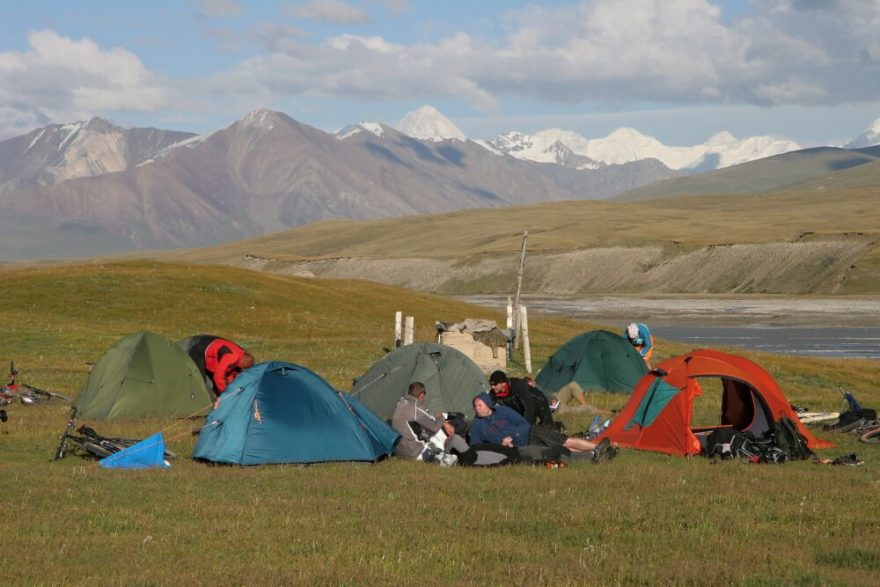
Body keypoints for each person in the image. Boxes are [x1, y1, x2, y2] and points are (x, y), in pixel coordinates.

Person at [470, 393, 617, 463]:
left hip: (532, 432)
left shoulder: (503, 411)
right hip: (523, 446)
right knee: (560, 449)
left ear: (488, 404)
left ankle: (597, 447)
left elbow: (523, 424)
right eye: (475, 406)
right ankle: (593, 454)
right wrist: (500, 446)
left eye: (480, 405)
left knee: (565, 440)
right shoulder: (477, 425)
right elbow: (476, 446)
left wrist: (511, 436)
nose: (477, 408)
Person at [391, 382, 513, 466]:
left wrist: (442, 419)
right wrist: (443, 419)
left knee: (447, 428)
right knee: (450, 433)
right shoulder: (415, 409)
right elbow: (434, 426)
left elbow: (428, 414)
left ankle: (463, 449)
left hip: (401, 451)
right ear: (422, 395)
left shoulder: (402, 402)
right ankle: (462, 452)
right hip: (415, 453)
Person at [186, 335, 255, 394]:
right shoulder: (230, 357)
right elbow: (218, 376)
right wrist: (226, 393)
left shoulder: (242, 355)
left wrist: (231, 387)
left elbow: (230, 374)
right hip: (199, 350)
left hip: (213, 347)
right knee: (199, 381)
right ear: (241, 362)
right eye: (243, 367)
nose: (242, 368)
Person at [488, 370, 556, 428]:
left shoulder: (517, 385)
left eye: (495, 384)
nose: (492, 387)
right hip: (522, 408)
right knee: (531, 430)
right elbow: (486, 405)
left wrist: (524, 425)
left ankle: (557, 428)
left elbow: (529, 406)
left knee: (548, 426)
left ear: (503, 383)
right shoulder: (493, 393)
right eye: (491, 385)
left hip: (538, 402)